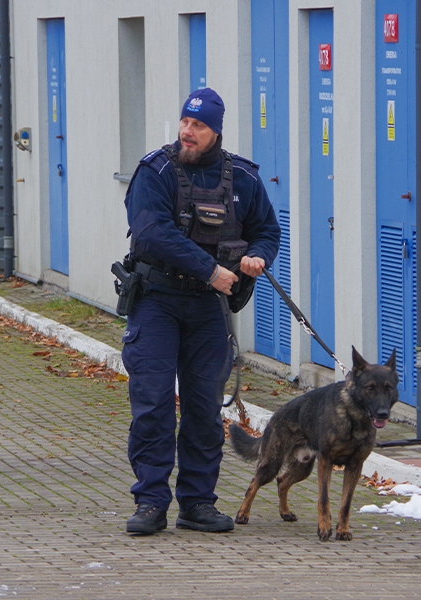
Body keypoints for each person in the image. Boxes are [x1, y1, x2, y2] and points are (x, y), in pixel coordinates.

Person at [120, 88, 280, 535]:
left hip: (208, 310)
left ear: (216, 131)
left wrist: (257, 258)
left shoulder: (243, 179)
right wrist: (210, 269)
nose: (188, 133)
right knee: (152, 405)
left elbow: (267, 230)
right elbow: (152, 233)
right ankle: (151, 501)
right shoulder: (156, 171)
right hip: (156, 302)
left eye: (199, 126)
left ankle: (197, 503)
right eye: (185, 123)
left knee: (204, 409)